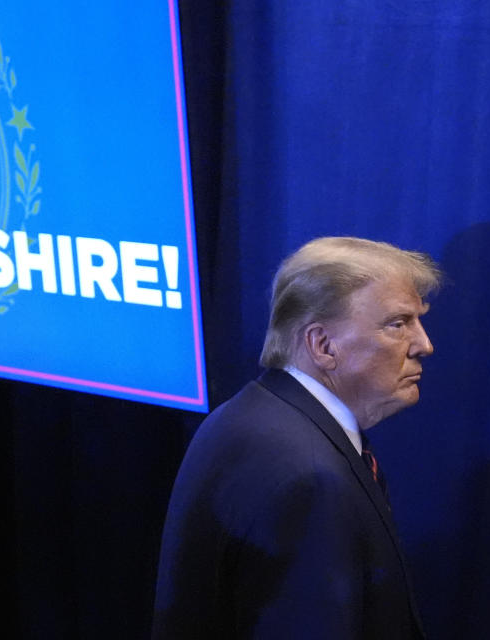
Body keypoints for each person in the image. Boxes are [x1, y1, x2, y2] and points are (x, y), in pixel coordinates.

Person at [153, 237, 439, 639]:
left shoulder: (249, 416)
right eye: (398, 324)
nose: (424, 345)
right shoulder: (309, 475)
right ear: (322, 345)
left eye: (418, 321)